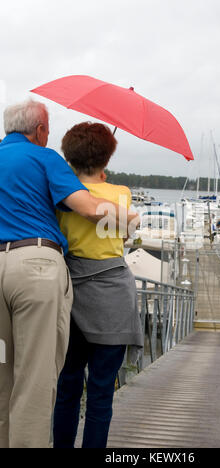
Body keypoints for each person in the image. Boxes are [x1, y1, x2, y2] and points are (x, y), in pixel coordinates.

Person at [0, 100, 139, 449]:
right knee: (40, 377)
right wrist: (130, 218)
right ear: (40, 130)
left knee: (10, 375)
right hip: (43, 273)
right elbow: (91, 209)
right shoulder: (48, 161)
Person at [53, 122, 144, 449]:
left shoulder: (64, 193)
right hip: (114, 297)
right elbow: (125, 235)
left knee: (67, 388)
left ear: (68, 157)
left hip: (72, 295)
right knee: (102, 393)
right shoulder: (121, 194)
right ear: (106, 159)